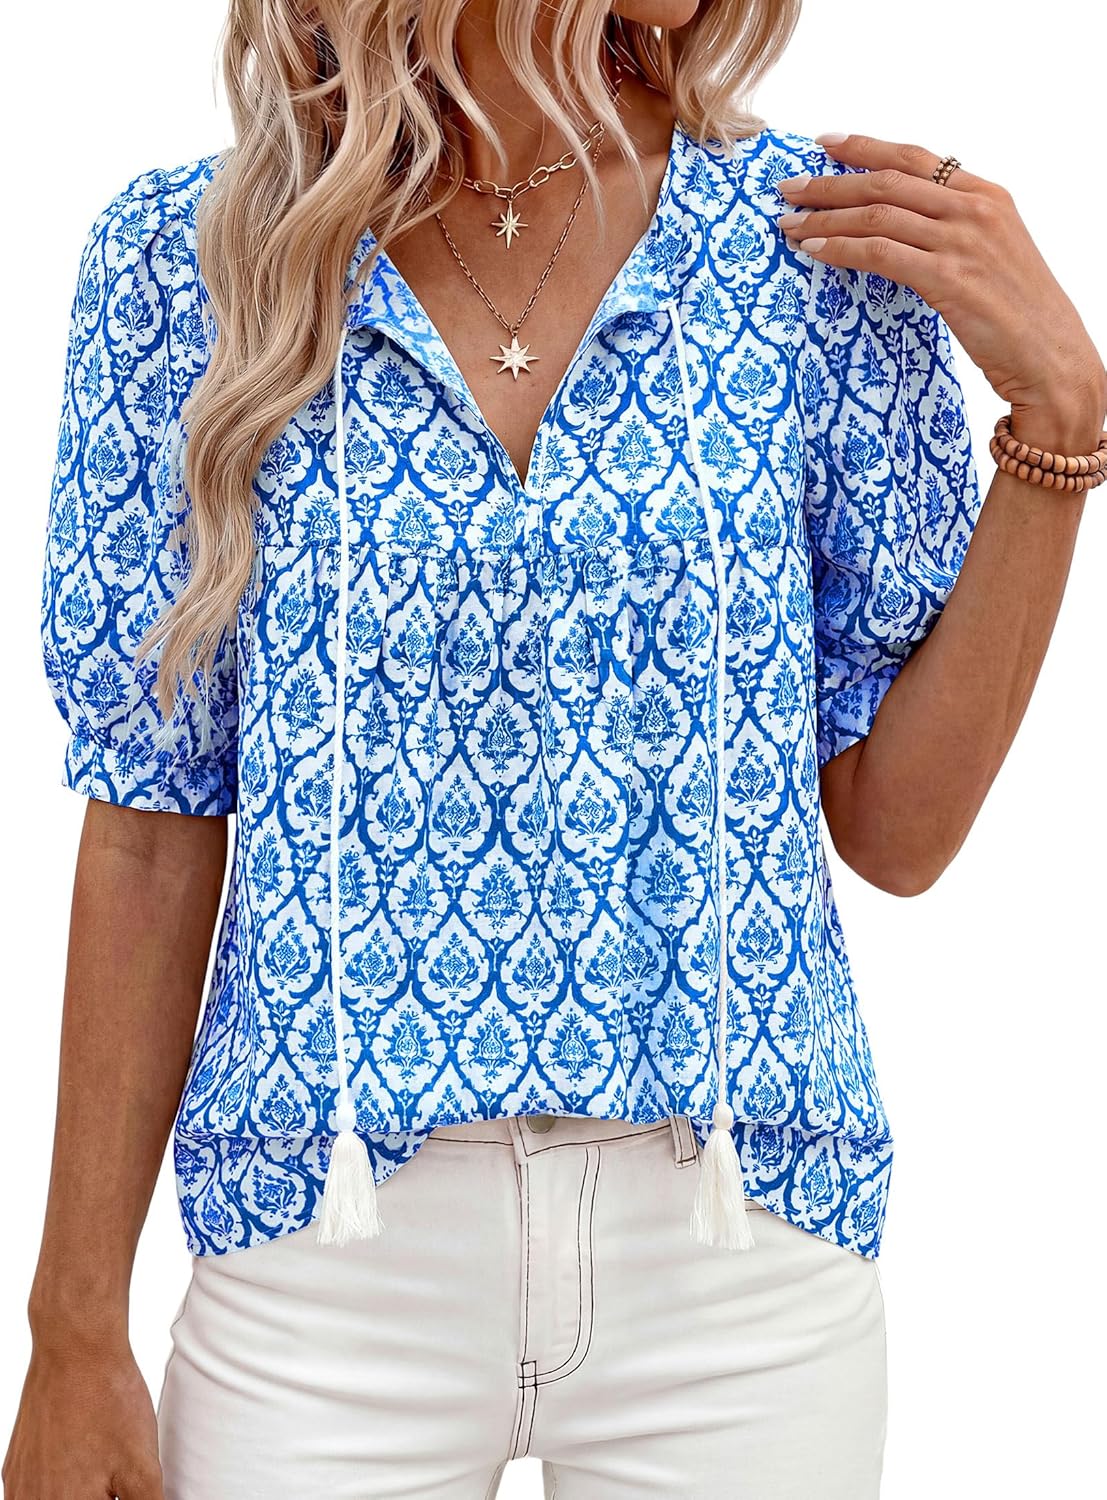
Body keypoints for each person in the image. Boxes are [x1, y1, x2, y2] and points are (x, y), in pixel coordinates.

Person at [6, 1, 1105, 1496]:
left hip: (740, 1262)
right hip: (322, 1262)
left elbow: (900, 832)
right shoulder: (191, 261)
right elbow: (150, 823)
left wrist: (1061, 420)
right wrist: (72, 1330)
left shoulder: (817, 252)